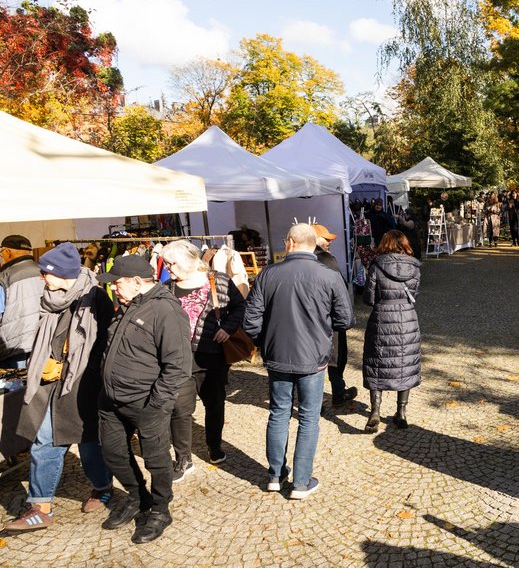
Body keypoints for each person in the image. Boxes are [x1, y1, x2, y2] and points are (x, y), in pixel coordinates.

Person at [4, 244, 114, 532]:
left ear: (62, 273)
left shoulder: (96, 298)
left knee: (88, 443)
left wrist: (66, 367)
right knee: (45, 440)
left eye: (45, 273)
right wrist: (40, 363)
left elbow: (104, 346)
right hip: (48, 382)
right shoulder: (48, 296)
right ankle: (40, 507)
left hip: (81, 385)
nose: (42, 278)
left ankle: (103, 486)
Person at [243, 224, 353, 500]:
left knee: (279, 413)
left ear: (289, 242)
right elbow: (345, 319)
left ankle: (275, 475)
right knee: (308, 418)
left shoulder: (268, 274)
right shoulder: (328, 274)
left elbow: (250, 321)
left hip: (278, 356)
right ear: (314, 244)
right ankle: (301, 482)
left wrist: (266, 341)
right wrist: (322, 330)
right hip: (313, 357)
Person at [96, 255, 192, 544]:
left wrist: (157, 403)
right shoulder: (128, 305)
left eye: (118, 283)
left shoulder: (165, 311)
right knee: (113, 453)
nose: (114, 289)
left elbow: (178, 365)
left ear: (138, 282)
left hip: (146, 402)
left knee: (156, 460)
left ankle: (161, 510)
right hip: (112, 400)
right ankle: (139, 497)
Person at [161, 240, 246, 482]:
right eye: (166, 263)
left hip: (213, 356)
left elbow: (240, 307)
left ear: (189, 260)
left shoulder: (218, 280)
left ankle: (214, 445)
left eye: (172, 263)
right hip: (179, 358)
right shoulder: (167, 288)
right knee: (180, 409)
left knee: (215, 403)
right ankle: (183, 458)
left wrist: (228, 327)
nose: (168, 268)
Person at [362, 230, 422, 433]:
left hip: (381, 317)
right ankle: (401, 413)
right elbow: (414, 294)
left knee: (376, 363)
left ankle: (375, 412)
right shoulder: (414, 267)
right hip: (407, 318)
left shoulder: (376, 265)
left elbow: (368, 298)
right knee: (405, 364)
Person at [310, 224, 357, 414]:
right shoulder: (326, 260)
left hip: (311, 319)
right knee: (334, 359)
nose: (329, 242)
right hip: (329, 319)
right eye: (326, 239)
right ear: (314, 239)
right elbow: (339, 292)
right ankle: (335, 394)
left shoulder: (300, 260)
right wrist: (344, 318)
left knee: (318, 360)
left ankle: (327, 396)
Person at [0, 234, 44, 369]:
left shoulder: (5, 276)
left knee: (14, 387)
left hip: (14, 344)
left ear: (7, 251)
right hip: (41, 341)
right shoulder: (44, 271)